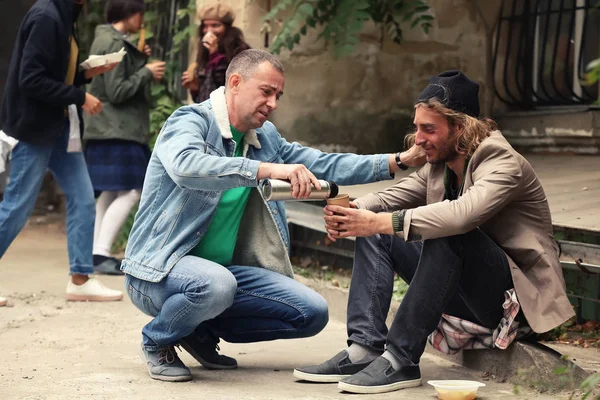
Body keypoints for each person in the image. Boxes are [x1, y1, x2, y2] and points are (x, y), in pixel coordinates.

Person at [122, 49, 423, 382]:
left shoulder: (264, 138)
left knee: (311, 312)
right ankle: (157, 339)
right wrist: (265, 169)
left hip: (221, 274)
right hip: (159, 270)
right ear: (235, 82)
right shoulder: (190, 121)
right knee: (217, 285)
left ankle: (197, 331)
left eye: (278, 95)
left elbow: (322, 163)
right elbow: (186, 166)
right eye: (266, 92)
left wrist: (399, 161)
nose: (274, 103)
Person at [293, 70, 576, 394]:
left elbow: (462, 215)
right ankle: (364, 349)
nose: (418, 139)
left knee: (448, 230)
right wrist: (352, 213)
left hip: (513, 301)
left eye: (428, 129)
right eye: (416, 128)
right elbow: (394, 196)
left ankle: (400, 359)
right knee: (377, 225)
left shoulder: (500, 159)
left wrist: (379, 221)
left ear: (460, 127)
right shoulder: (442, 162)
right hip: (463, 291)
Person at [0, 0, 123, 303]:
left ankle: (80, 279)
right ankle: (80, 278)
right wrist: (80, 96)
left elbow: (55, 73)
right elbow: (31, 79)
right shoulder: (47, 16)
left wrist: (87, 72)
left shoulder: (65, 14)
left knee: (83, 198)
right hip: (35, 128)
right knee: (17, 206)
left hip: (57, 127)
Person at [84, 0, 166, 275]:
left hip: (109, 128)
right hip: (117, 128)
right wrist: (146, 71)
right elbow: (117, 91)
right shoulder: (114, 44)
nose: (142, 19)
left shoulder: (109, 39)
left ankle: (95, 252)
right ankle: (101, 252)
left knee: (111, 191)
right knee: (133, 190)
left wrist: (137, 60)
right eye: (140, 13)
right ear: (129, 14)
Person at [181, 2, 250, 103]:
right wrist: (195, 88)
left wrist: (215, 54)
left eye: (215, 25)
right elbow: (204, 97)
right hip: (208, 113)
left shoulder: (240, 50)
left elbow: (227, 84)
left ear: (227, 28)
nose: (209, 31)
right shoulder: (204, 52)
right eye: (205, 26)